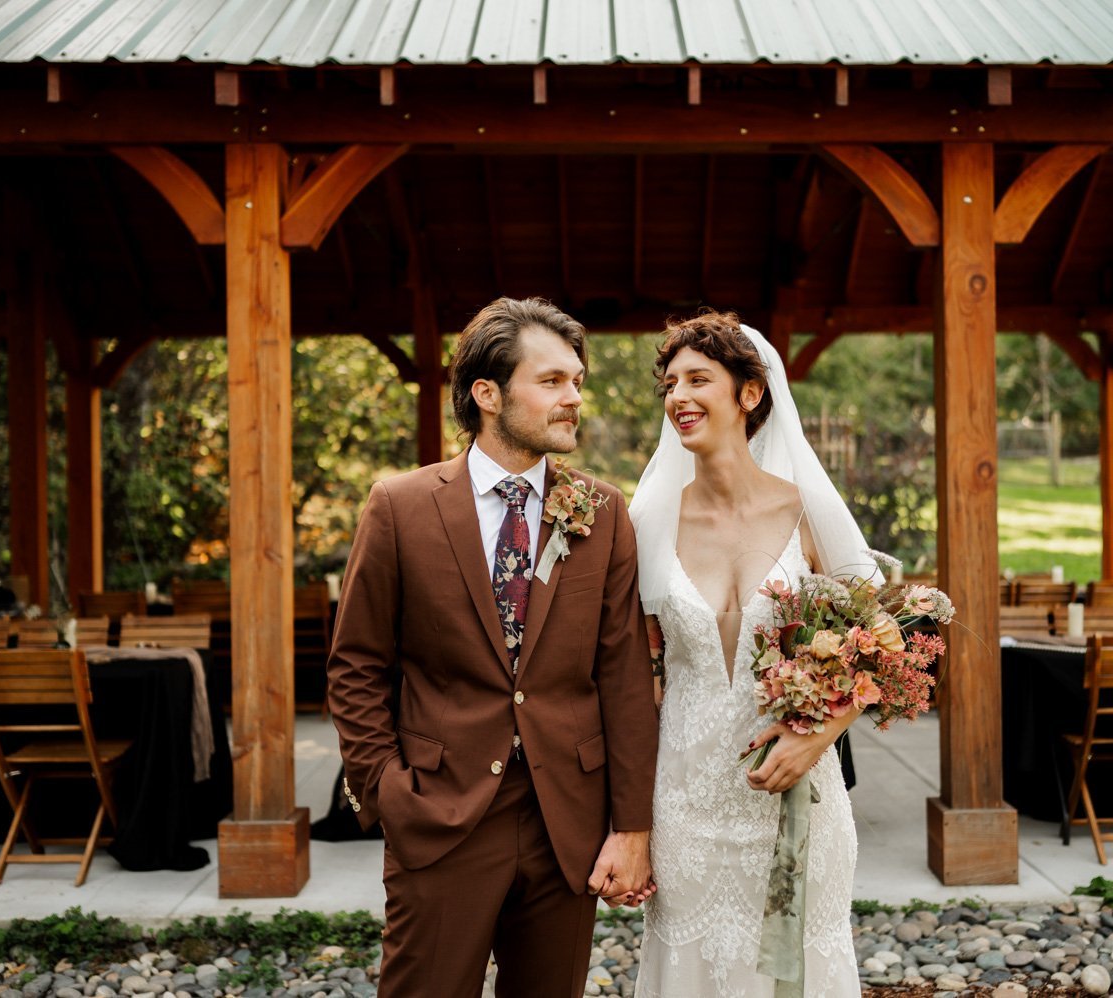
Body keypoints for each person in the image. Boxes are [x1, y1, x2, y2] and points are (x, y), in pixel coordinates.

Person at [327, 297, 659, 998]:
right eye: (551, 382)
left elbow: (625, 675)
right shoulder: (400, 507)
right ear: (487, 393)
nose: (574, 398)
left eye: (577, 380)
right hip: (439, 812)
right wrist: (387, 788)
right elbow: (356, 664)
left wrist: (631, 826)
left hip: (564, 819)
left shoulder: (602, 513)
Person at [630, 310, 887, 997]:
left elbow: (886, 642)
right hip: (684, 800)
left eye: (698, 379)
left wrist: (822, 733)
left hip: (795, 798)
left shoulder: (807, 510)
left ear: (749, 393)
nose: (677, 396)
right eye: (670, 382)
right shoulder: (647, 520)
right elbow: (633, 670)